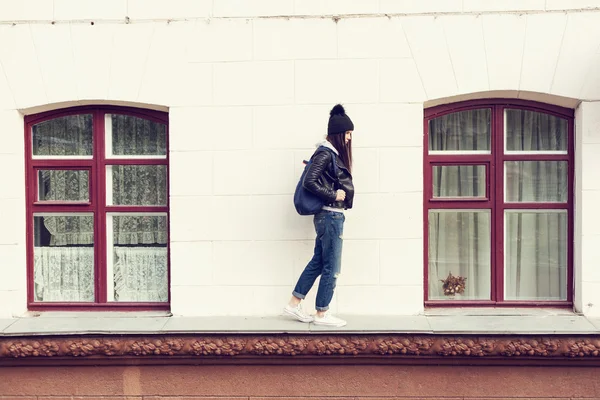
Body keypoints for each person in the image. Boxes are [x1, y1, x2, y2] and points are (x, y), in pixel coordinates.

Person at [284, 104, 355, 327]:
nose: (350, 139)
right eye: (348, 134)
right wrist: (334, 194)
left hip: (328, 216)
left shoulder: (329, 154)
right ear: (339, 135)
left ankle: (294, 304)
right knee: (331, 267)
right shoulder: (326, 154)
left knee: (319, 261)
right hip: (330, 216)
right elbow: (309, 181)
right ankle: (321, 314)